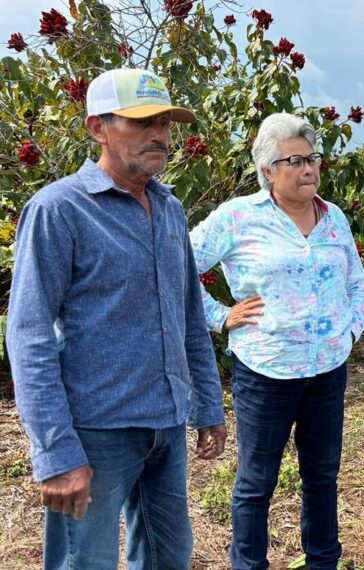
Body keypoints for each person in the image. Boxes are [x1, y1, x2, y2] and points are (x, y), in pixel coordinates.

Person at [6, 68, 226, 569]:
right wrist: (57, 452)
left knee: (171, 556)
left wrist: (208, 404)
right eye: (141, 121)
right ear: (97, 128)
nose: (161, 135)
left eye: (166, 122)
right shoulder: (59, 210)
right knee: (84, 562)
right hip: (96, 432)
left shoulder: (169, 209)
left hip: (166, 426)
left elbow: (188, 313)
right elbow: (29, 334)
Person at [190, 112, 364, 570]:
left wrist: (349, 330)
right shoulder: (237, 218)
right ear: (268, 169)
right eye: (295, 160)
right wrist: (218, 316)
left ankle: (322, 562)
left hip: (328, 369)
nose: (309, 168)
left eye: (312, 158)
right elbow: (174, 266)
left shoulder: (334, 219)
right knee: (256, 483)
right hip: (266, 371)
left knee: (322, 476)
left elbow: (358, 283)